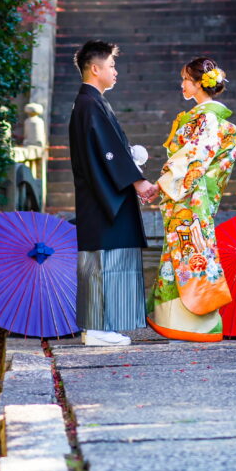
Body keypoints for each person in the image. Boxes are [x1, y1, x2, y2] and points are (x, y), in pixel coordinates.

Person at [69, 40, 158, 347]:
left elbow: (110, 150)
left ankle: (97, 327)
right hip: (104, 197)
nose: (115, 71)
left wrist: (130, 157)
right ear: (95, 69)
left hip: (103, 194)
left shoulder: (91, 103)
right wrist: (139, 183)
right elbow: (108, 153)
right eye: (111, 66)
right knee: (103, 261)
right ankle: (96, 328)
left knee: (103, 260)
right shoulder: (90, 104)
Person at [146, 57, 236, 343]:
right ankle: (177, 319)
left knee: (190, 253)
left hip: (189, 197)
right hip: (193, 197)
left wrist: (161, 184)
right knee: (188, 253)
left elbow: (192, 160)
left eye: (186, 79)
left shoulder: (207, 119)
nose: (182, 84)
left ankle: (191, 323)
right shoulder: (208, 118)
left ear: (200, 84)